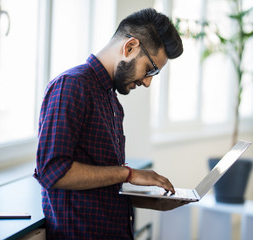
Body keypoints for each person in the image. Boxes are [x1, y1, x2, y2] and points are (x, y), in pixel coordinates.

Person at [34, 8, 185, 239]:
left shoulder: (111, 101)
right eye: (149, 70)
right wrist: (128, 174)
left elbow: (100, 183)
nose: (147, 82)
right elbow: (52, 172)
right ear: (130, 47)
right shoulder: (71, 86)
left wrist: (147, 199)